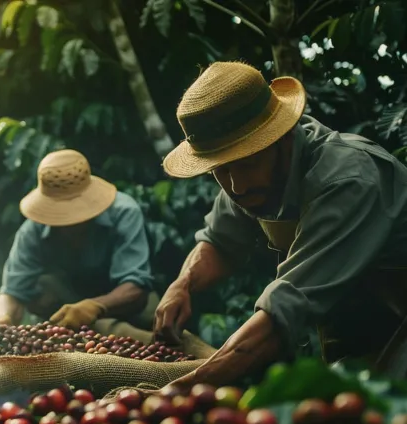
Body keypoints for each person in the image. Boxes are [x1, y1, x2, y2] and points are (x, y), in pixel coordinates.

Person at [155, 61, 407, 388]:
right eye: (221, 170)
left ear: (283, 137)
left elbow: (285, 309)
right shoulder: (242, 178)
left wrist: (177, 392)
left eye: (248, 164)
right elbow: (220, 242)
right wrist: (183, 284)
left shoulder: (349, 180)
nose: (237, 187)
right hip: (360, 332)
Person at [0, 149, 159, 341]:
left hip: (125, 302)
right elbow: (11, 293)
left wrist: (95, 306)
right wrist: (3, 320)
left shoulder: (124, 213)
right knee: (43, 286)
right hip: (67, 306)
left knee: (160, 328)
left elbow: (136, 286)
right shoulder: (33, 230)